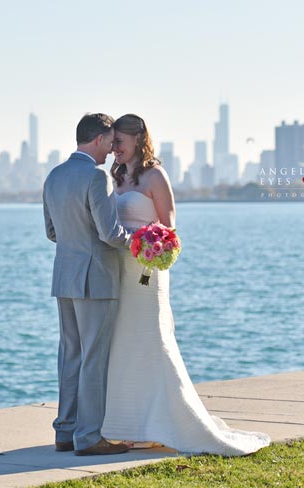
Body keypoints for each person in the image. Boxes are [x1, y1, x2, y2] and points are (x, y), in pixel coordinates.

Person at [101, 113, 271, 456]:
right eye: (111, 141)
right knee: (123, 344)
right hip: (120, 269)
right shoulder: (114, 176)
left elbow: (170, 230)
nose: (113, 148)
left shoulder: (155, 175)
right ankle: (130, 425)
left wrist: (151, 246)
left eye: (118, 141)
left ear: (138, 139)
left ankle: (164, 422)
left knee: (152, 340)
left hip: (149, 272)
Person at [42, 113, 132, 456]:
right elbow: (110, 234)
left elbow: (51, 232)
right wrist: (140, 240)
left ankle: (65, 432)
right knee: (93, 357)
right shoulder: (96, 177)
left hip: (64, 275)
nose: (111, 151)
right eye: (110, 143)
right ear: (98, 140)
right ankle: (90, 437)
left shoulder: (54, 176)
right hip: (96, 278)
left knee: (71, 355)